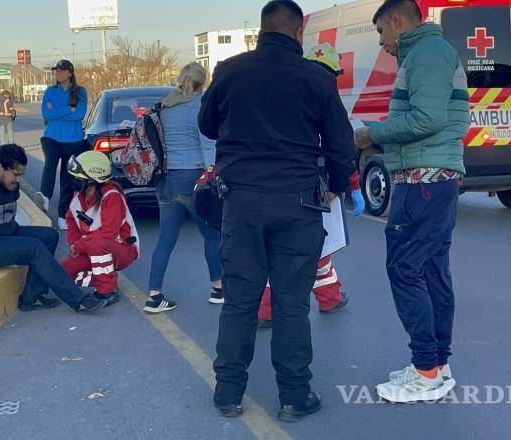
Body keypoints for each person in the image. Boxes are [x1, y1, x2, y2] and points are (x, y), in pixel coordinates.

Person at [199, 0, 356, 422]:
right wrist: (340, 188)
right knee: (290, 304)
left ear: (261, 29)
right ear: (299, 31)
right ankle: (294, 396)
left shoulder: (230, 71)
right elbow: (341, 146)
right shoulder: (315, 78)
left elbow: (207, 126)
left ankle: (228, 393)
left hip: (243, 202)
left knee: (239, 302)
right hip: (298, 204)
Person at [354, 0, 469, 403]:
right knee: (432, 269)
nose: (382, 44)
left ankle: (426, 371)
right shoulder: (428, 52)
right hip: (431, 178)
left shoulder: (427, 53)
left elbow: (428, 118)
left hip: (424, 178)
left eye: (381, 33)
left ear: (396, 21)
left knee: (404, 268)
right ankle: (437, 363)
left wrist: (373, 133)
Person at [256, 44, 365, 328]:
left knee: (277, 247)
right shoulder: (329, 98)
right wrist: (350, 185)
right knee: (319, 244)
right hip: (320, 188)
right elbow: (341, 149)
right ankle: (327, 299)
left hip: (282, 185)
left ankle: (267, 309)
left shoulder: (284, 98)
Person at [0, 143, 107, 313]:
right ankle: (78, 300)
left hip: (5, 233)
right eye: (16, 174)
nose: (18, 180)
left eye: (21, 175)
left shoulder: (6, 182)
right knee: (33, 248)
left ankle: (31, 296)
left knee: (49, 236)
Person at [145, 62, 222, 314]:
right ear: (203, 83)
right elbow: (207, 144)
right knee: (211, 234)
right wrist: (212, 173)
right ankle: (218, 289)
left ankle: (154, 296)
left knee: (165, 239)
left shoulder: (166, 105)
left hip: (166, 180)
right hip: (193, 178)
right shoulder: (198, 107)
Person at [61, 151, 139, 307]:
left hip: (123, 249)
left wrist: (79, 245)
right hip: (89, 247)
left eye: (80, 177)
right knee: (63, 273)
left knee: (97, 244)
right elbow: (71, 222)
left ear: (93, 180)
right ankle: (106, 276)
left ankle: (107, 291)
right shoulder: (79, 195)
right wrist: (74, 244)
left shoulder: (112, 196)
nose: (75, 180)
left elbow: (108, 233)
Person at [35, 60, 89, 230]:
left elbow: (79, 114)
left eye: (61, 71)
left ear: (70, 73)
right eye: (56, 71)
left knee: (67, 177)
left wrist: (57, 110)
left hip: (73, 140)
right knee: (50, 164)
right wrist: (67, 109)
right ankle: (44, 197)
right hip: (52, 137)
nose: (57, 73)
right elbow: (46, 113)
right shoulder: (50, 91)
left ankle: (62, 215)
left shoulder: (80, 91)